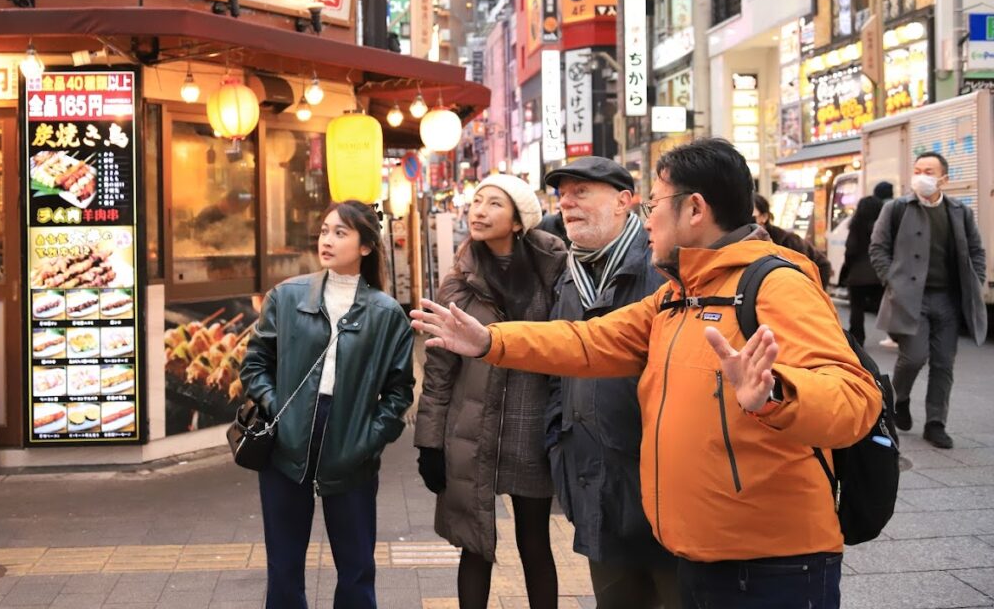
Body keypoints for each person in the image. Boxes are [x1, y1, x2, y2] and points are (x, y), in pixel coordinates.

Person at [411, 138, 883, 609]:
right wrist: (490, 342)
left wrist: (775, 394)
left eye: (654, 203)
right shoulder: (680, 294)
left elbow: (855, 398)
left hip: (772, 563)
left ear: (694, 210)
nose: (648, 216)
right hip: (700, 549)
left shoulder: (774, 285)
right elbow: (587, 340)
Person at [240, 200, 415, 609]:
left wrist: (368, 440)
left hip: (351, 450)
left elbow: (399, 392)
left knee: (356, 572)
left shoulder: (387, 314)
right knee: (283, 571)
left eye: (341, 233)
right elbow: (254, 365)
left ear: (366, 247)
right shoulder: (287, 297)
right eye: (324, 231)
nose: (328, 240)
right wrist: (279, 410)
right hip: (285, 449)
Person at [414, 174, 567, 609]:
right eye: (477, 201)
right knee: (474, 544)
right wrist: (430, 443)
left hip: (531, 427)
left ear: (519, 221)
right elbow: (440, 371)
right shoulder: (458, 282)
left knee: (535, 543)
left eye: (494, 203)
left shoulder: (554, 275)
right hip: (473, 429)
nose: (479, 211)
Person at [541, 157, 680, 609]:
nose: (566, 202)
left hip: (662, 487)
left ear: (624, 201)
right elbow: (558, 366)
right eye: (562, 193)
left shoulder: (662, 268)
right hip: (593, 482)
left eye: (581, 191)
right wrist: (557, 441)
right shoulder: (569, 275)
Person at [868, 153, 987, 450]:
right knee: (914, 357)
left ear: (943, 178)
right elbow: (878, 247)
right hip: (910, 298)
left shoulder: (959, 211)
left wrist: (977, 279)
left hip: (948, 298)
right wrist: (891, 281)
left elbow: (976, 250)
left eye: (929, 171)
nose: (922, 175)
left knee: (944, 362)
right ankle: (900, 399)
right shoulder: (896, 208)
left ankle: (936, 422)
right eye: (918, 170)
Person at [841, 181, 894, 345]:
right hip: (879, 273)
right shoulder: (884, 226)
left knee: (857, 308)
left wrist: (849, 267)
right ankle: (897, 335)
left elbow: (850, 249)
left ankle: (858, 338)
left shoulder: (855, 226)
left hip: (857, 275)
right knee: (883, 306)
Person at [753, 194, 832, 287]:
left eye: (750, 215)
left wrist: (813, 292)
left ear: (764, 217)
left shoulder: (788, 241)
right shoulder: (745, 240)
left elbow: (821, 265)